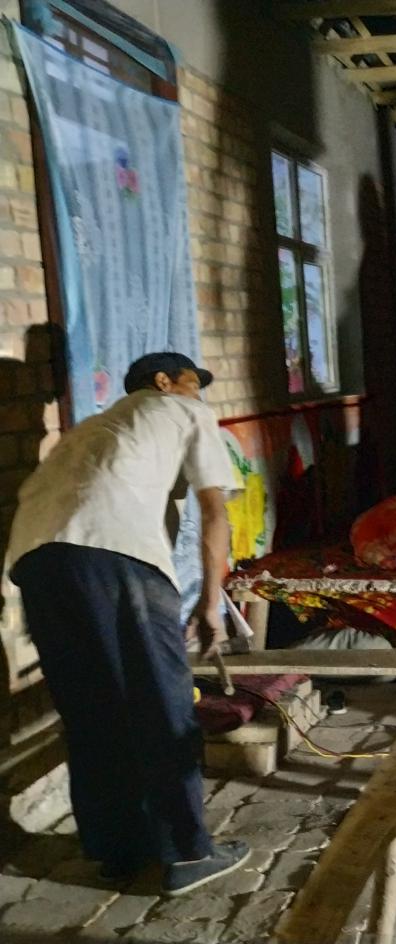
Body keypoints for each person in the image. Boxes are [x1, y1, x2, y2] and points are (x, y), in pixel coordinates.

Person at [5, 352, 251, 893]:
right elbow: (216, 512)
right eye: (194, 383)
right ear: (164, 382)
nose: (199, 395)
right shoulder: (184, 412)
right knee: (161, 704)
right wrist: (211, 604)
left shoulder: (89, 431)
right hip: (113, 555)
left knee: (91, 711)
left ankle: (117, 850)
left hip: (35, 561)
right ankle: (188, 854)